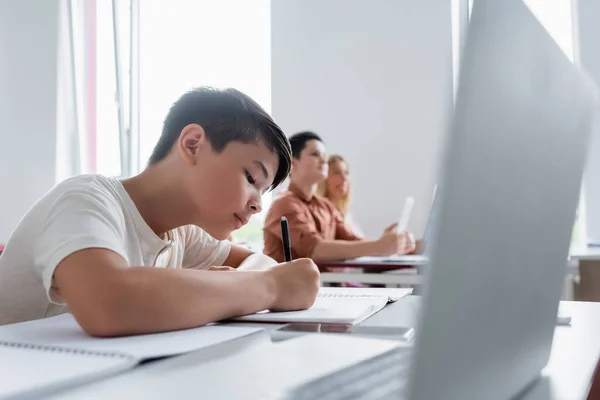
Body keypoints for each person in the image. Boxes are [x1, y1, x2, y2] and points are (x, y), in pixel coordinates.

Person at [0, 87, 321, 335]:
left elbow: (257, 262)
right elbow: (108, 302)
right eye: (252, 178)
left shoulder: (182, 232)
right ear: (193, 144)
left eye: (264, 193)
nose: (257, 204)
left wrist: (230, 285)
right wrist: (270, 288)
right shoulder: (86, 199)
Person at [263, 131, 415, 264]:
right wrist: (378, 246)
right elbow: (315, 249)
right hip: (290, 292)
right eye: (315, 154)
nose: (324, 161)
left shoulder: (326, 206)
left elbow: (353, 242)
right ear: (292, 163)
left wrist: (388, 244)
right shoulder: (284, 205)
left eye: (325, 156)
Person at [317, 154, 364, 237]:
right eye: (337, 173)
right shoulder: (320, 215)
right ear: (324, 178)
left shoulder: (347, 216)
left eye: (346, 173)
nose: (344, 178)